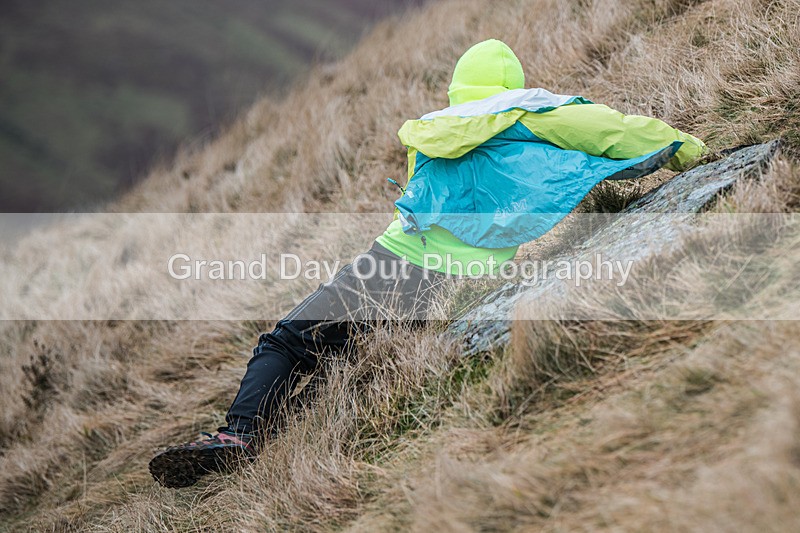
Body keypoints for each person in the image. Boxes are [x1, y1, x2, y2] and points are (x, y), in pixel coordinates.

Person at [149, 39, 706, 488]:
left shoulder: (434, 129)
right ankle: (280, 436)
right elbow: (619, 132)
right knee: (348, 358)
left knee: (291, 342)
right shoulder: (537, 114)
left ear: (459, 86)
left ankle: (240, 436)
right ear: (510, 83)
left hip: (390, 260)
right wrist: (692, 152)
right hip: (457, 283)